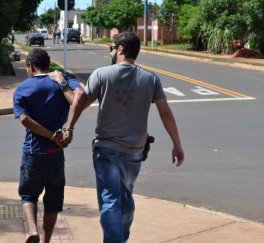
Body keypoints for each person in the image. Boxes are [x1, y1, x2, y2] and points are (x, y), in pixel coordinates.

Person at [51, 31, 185, 243]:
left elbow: (80, 102)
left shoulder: (102, 74)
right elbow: (165, 112)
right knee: (125, 198)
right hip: (134, 152)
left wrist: (70, 127)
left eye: (112, 47)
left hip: (106, 150)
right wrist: (177, 144)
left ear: (120, 49)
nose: (112, 51)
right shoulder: (151, 79)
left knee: (110, 201)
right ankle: (120, 238)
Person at [13, 48, 83, 243]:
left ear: (32, 66)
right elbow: (81, 96)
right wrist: (66, 130)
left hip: (33, 153)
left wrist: (50, 135)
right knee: (53, 202)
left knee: (28, 196)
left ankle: (32, 231)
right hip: (55, 154)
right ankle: (46, 240)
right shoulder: (62, 81)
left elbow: (25, 120)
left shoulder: (22, 88)